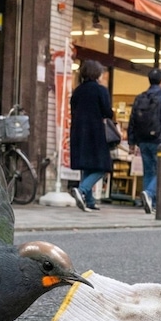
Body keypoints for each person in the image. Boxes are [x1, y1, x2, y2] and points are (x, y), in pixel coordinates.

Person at [127, 68, 161, 213]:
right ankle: (149, 194)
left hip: (143, 140)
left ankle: (151, 203)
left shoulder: (140, 98)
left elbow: (132, 120)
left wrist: (131, 142)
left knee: (149, 171)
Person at [69, 60, 115, 212]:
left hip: (78, 131)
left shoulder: (77, 91)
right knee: (102, 166)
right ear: (97, 73)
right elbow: (107, 112)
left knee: (87, 165)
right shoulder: (100, 90)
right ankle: (82, 190)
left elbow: (73, 109)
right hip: (95, 131)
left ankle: (89, 201)